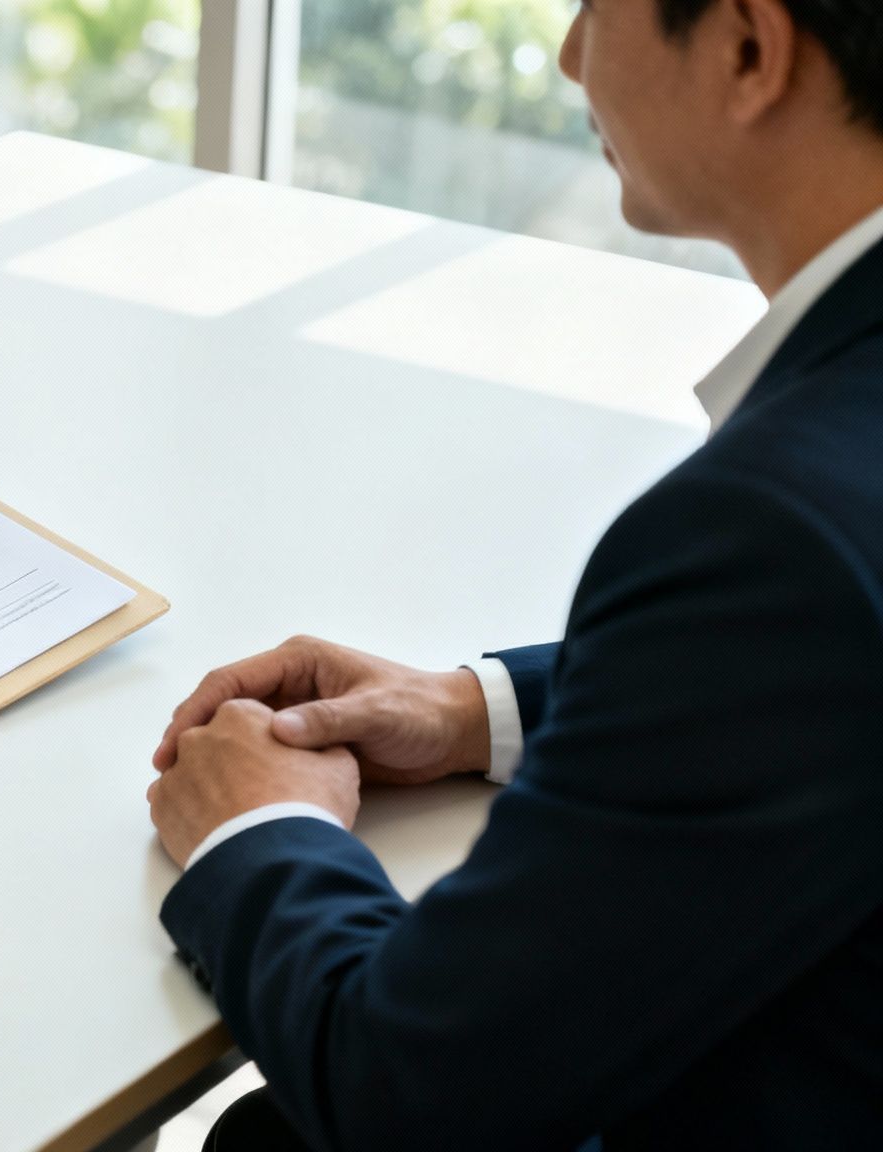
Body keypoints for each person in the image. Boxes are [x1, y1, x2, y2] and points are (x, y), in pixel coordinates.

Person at [146, 0, 883, 1148]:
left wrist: (259, 830)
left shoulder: (763, 532)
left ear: (747, 49)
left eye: (595, 5)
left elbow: (410, 1091)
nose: (568, 56)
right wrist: (475, 710)